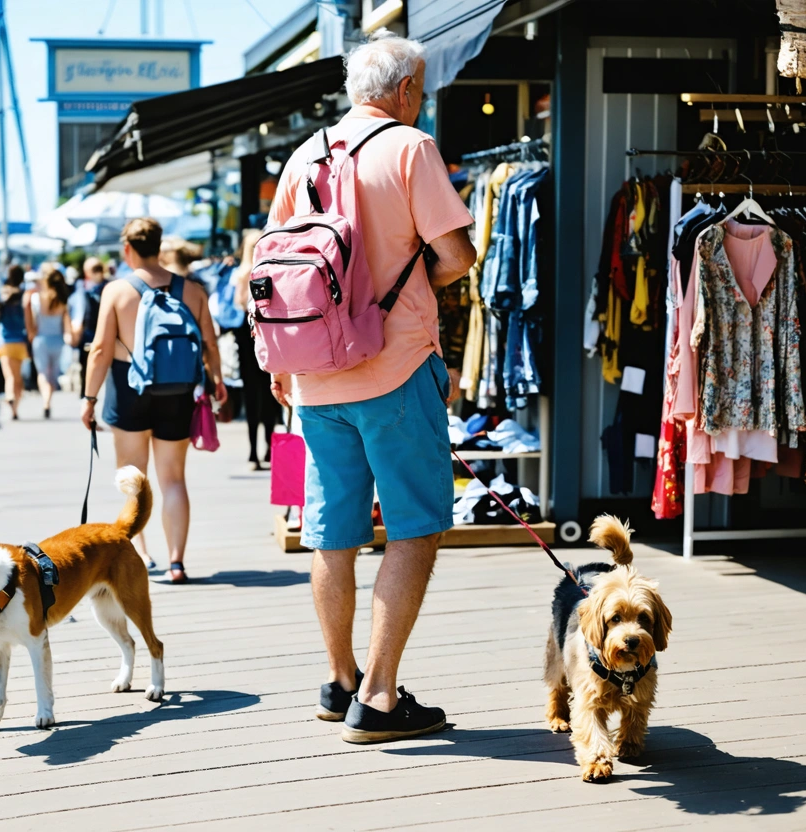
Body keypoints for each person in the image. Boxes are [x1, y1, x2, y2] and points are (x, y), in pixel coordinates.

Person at [267, 30, 477, 743]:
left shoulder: (303, 155)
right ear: (408, 90)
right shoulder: (411, 148)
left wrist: (279, 365)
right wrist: (405, 287)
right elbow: (457, 255)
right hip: (393, 367)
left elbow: (274, 268)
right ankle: (381, 701)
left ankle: (340, 680)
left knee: (332, 531)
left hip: (313, 374)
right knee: (416, 527)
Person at [81, 218, 227, 584]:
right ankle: (177, 562)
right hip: (178, 390)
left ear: (127, 248)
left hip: (127, 387)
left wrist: (89, 399)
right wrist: (218, 380)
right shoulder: (192, 291)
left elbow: (99, 350)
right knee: (173, 479)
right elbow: (209, 343)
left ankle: (141, 555)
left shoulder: (116, 291)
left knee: (134, 479)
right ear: (159, 246)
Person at [230, 228, 281, 470]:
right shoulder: (270, 270)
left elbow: (239, 306)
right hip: (267, 338)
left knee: (252, 397)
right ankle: (269, 450)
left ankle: (253, 452)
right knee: (270, 394)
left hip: (246, 339)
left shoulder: (240, 275)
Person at [0, 263, 31, 420]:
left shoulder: (0, 296)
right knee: (17, 376)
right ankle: (15, 408)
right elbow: (28, 319)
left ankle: (10, 396)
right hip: (20, 340)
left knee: (9, 376)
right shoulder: (24, 295)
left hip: (4, 341)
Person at [26, 268, 72, 419]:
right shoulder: (62, 300)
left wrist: (31, 334)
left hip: (41, 339)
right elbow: (66, 324)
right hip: (57, 340)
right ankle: (48, 399)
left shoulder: (36, 298)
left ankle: (45, 401)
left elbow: (32, 323)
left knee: (42, 374)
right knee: (53, 374)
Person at [70, 256, 108, 395]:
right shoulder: (82, 287)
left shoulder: (107, 287)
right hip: (90, 331)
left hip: (100, 330)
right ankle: (87, 391)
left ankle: (89, 392)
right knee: (86, 362)